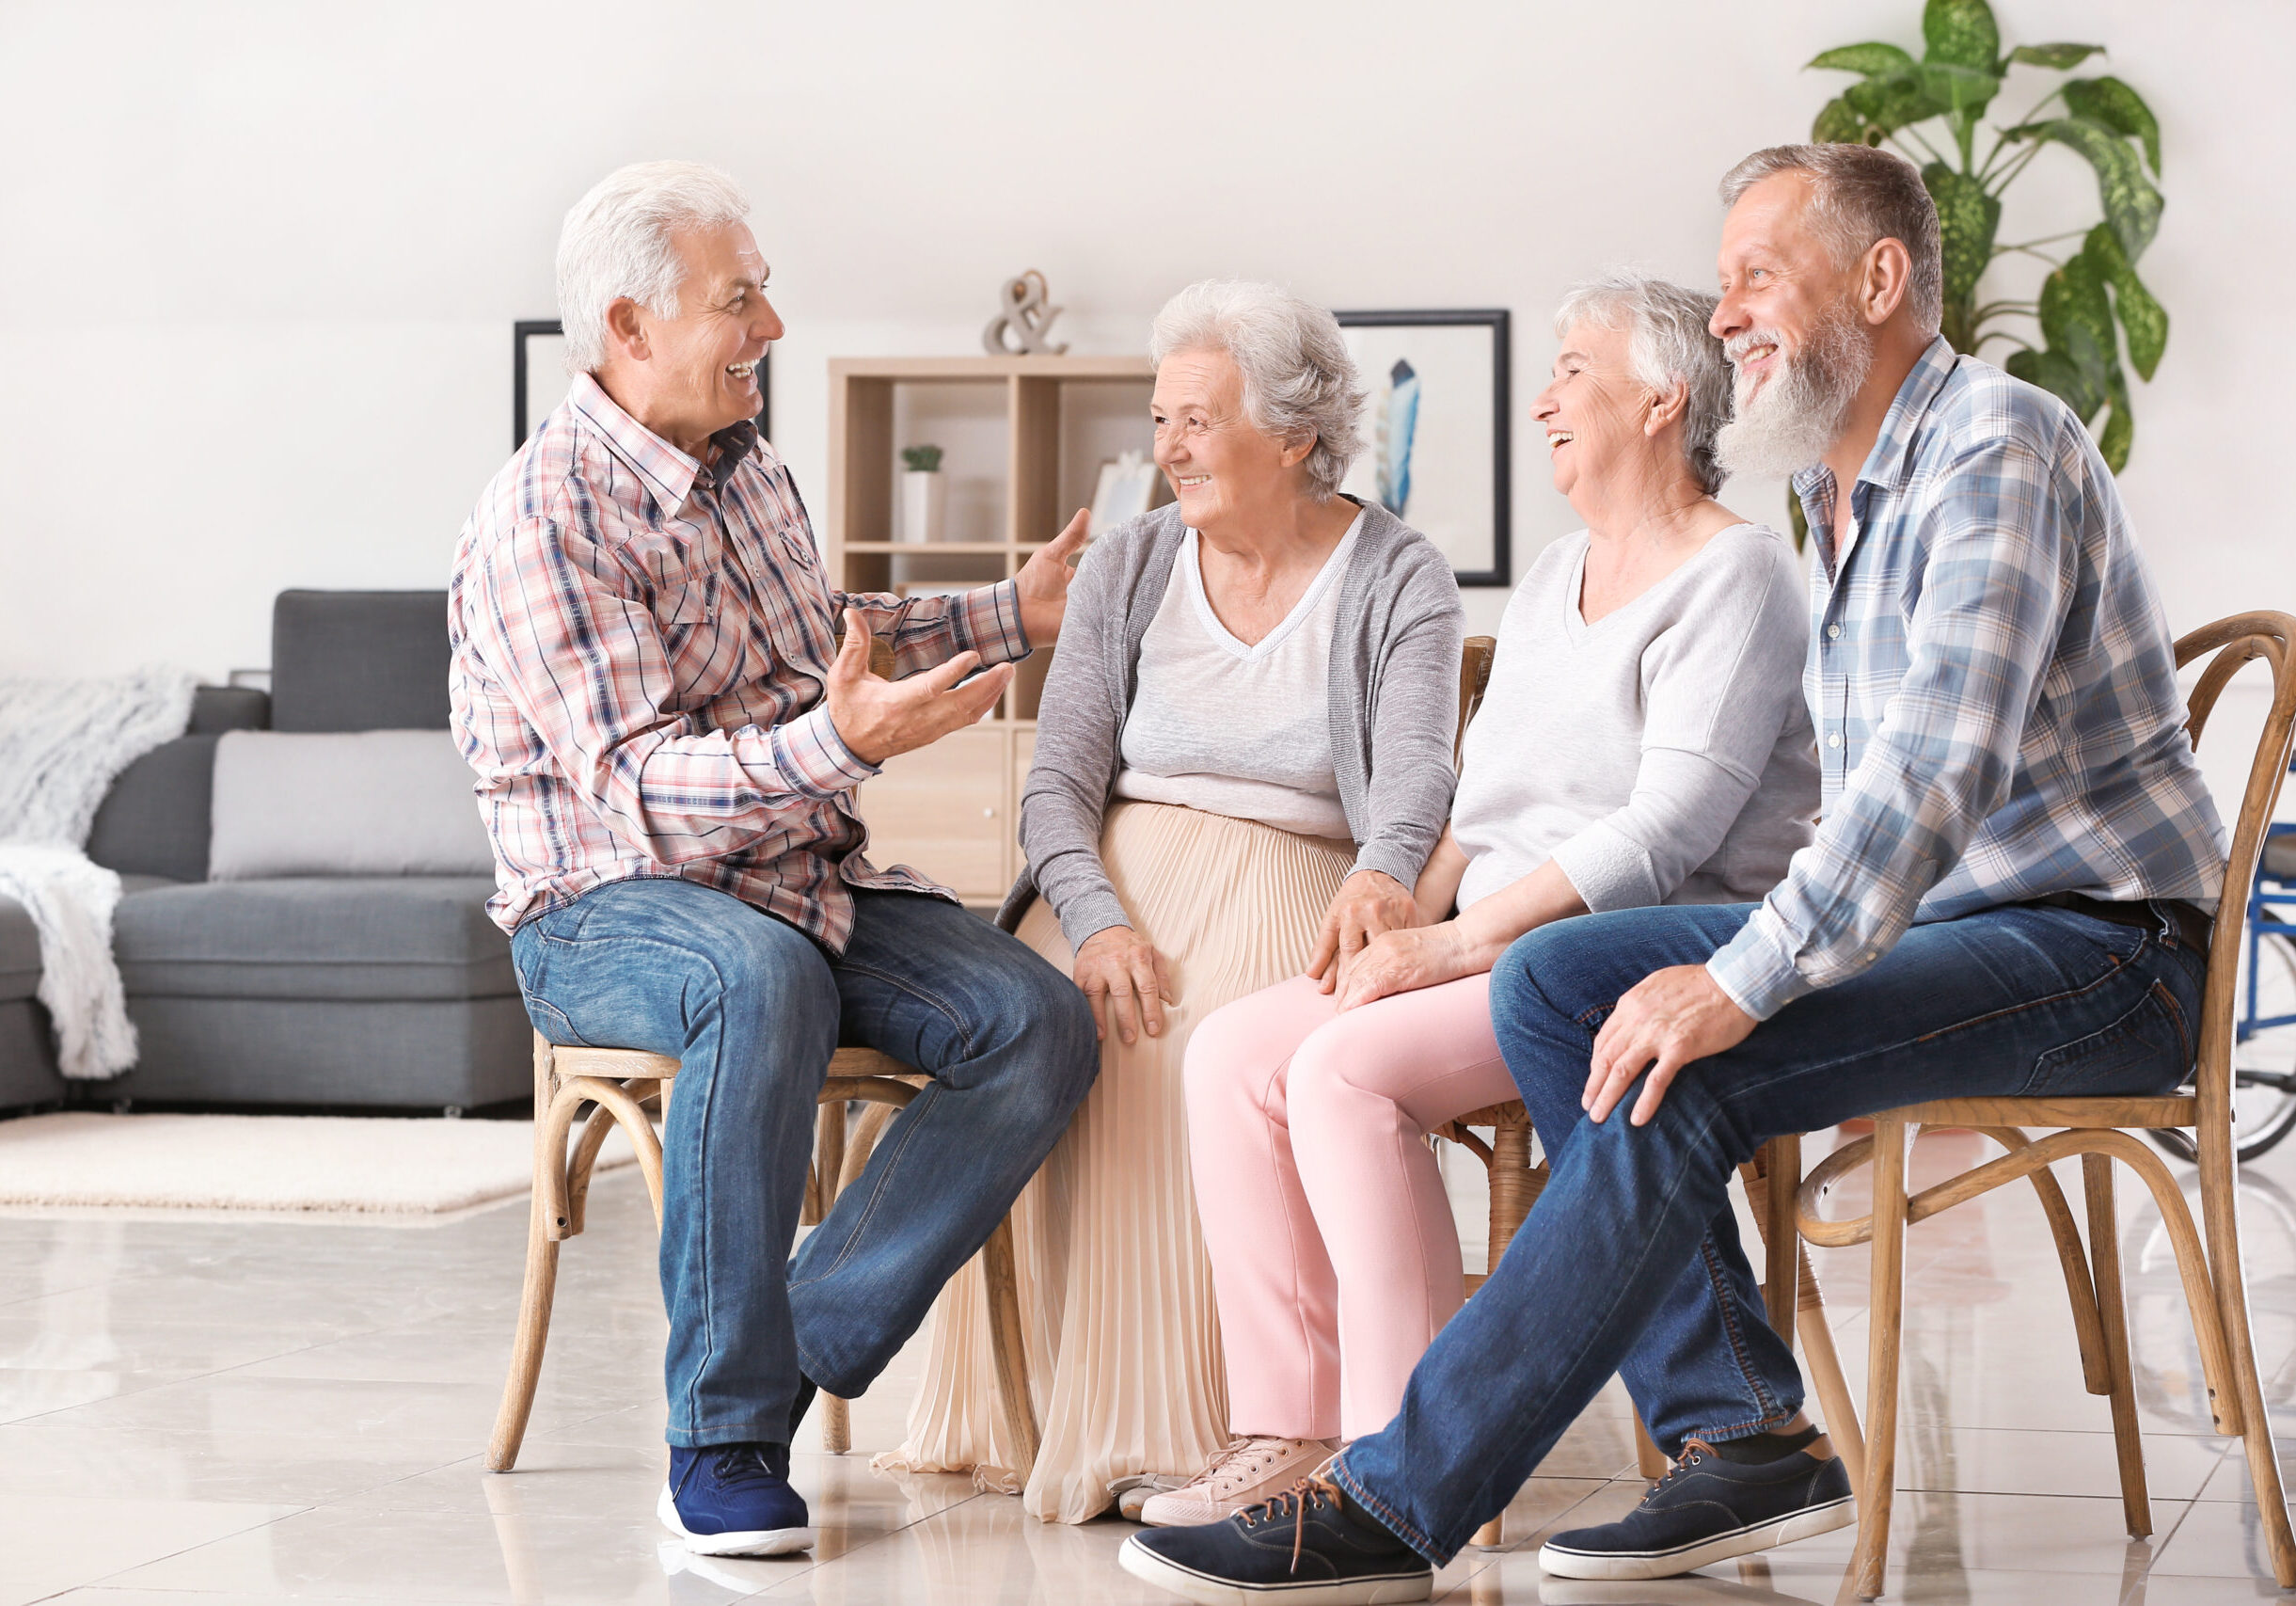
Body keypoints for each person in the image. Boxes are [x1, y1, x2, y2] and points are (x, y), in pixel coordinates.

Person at [1122, 141, 2224, 1603]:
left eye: (1757, 276)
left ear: (1880, 280)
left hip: (2095, 952)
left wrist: (1736, 976)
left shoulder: (1992, 451)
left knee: (1672, 1043)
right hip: (1960, 928)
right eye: (1720, 289)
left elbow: (1924, 786)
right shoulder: (1835, 497)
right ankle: (1743, 1435)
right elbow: (1859, 813)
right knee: (1567, 979)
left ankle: (1401, 1493)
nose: (1727, 319)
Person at [447, 160, 1100, 1560]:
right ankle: (725, 1428)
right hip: (608, 907)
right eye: (740, 300)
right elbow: (637, 794)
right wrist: (846, 749)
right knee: (758, 983)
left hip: (799, 886)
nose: (774, 329)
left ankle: (795, 1330)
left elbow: (830, 645)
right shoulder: (544, 521)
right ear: (630, 327)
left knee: (1035, 1018)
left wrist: (1009, 610)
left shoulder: (748, 470)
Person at [1148, 272, 1818, 1528]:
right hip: (1487, 940)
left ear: (1663, 400)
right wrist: (1408, 904)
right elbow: (1481, 791)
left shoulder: (1736, 578)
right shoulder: (1564, 563)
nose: (1545, 399)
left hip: (1615, 960)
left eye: (1573, 369)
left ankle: (1387, 1460)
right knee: (1234, 1050)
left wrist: (1458, 941)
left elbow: (1669, 829)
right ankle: (1284, 1426)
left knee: (1343, 1071)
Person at [880, 279, 1465, 1523]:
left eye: (1197, 419)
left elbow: (1416, 776)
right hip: (1113, 882)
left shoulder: (1396, 571)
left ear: (1296, 431)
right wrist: (1093, 920)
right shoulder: (1134, 561)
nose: (1170, 447)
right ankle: (1055, 1413)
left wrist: (1380, 870)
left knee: (1207, 1047)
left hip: (1301, 873)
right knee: (1047, 1028)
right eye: (1163, 420)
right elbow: (1056, 790)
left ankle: (1244, 1425)